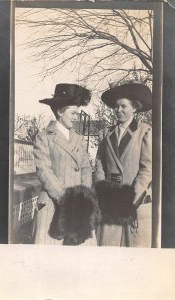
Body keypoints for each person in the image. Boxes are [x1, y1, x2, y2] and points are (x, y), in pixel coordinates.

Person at [33, 83, 96, 245]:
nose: (76, 117)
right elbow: (44, 171)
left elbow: (86, 168)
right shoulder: (44, 137)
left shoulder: (79, 138)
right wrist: (67, 201)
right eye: (73, 113)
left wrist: (83, 196)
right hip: (53, 205)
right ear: (61, 112)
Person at [94, 82, 152, 247]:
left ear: (134, 107)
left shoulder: (144, 132)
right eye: (116, 107)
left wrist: (130, 200)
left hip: (133, 203)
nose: (118, 110)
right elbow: (99, 164)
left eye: (123, 106)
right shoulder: (105, 133)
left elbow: (147, 169)